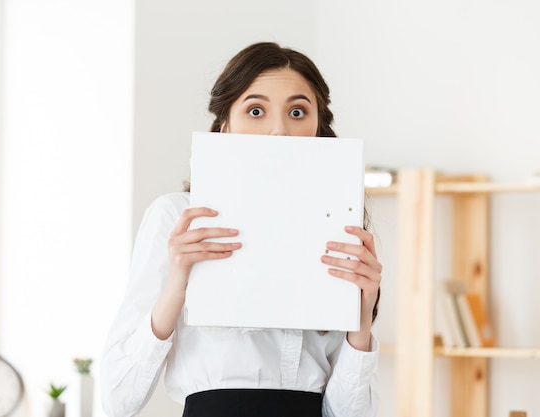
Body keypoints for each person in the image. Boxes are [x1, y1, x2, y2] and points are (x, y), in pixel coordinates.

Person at [100, 42, 382, 417]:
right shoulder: (177, 219)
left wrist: (360, 319)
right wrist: (177, 286)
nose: (278, 132)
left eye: (297, 111)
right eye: (255, 110)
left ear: (318, 127)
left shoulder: (341, 228)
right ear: (224, 124)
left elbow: (348, 414)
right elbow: (118, 400)